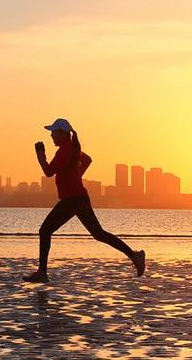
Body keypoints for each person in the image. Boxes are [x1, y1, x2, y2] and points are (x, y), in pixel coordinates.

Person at [23, 118, 146, 283]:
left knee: (45, 231)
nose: (51, 135)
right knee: (98, 233)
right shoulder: (73, 148)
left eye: (53, 132)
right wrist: (76, 175)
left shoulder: (65, 151)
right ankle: (134, 255)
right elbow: (88, 160)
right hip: (79, 198)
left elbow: (48, 172)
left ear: (62, 133)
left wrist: (40, 156)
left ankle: (42, 272)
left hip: (72, 200)